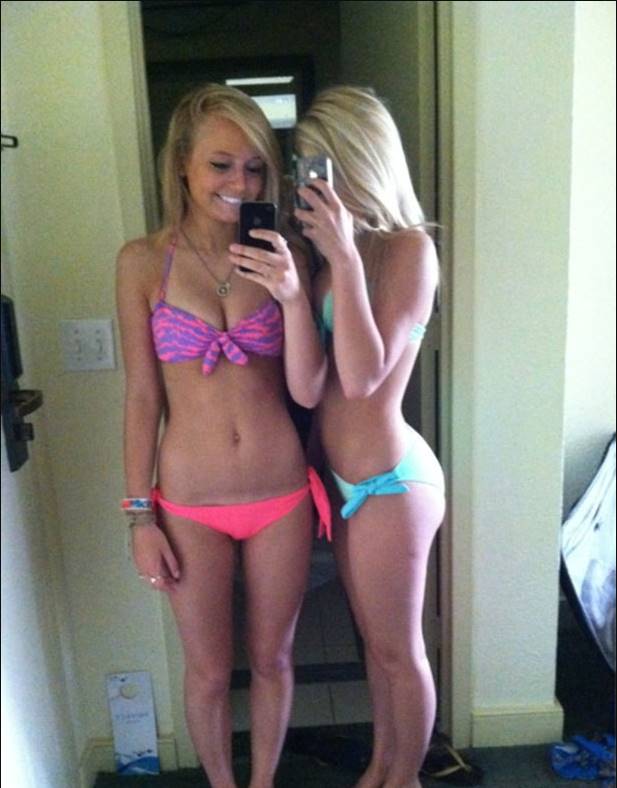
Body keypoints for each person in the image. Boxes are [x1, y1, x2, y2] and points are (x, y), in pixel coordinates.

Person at [116, 83, 329, 788]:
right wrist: (138, 517)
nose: (241, 182)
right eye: (220, 164)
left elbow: (308, 389)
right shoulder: (141, 263)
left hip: (279, 494)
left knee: (273, 659)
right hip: (188, 504)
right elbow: (142, 397)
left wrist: (292, 295)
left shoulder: (283, 258)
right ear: (181, 165)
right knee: (208, 671)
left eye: (256, 167)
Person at [294, 86, 446, 788]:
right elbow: (313, 384)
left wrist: (346, 262)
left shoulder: (409, 250)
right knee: (375, 652)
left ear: (359, 159)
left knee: (399, 652)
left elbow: (361, 378)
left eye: (324, 165)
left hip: (391, 483)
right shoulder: (331, 262)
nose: (314, 184)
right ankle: (380, 771)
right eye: (306, 168)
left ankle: (404, 778)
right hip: (345, 482)